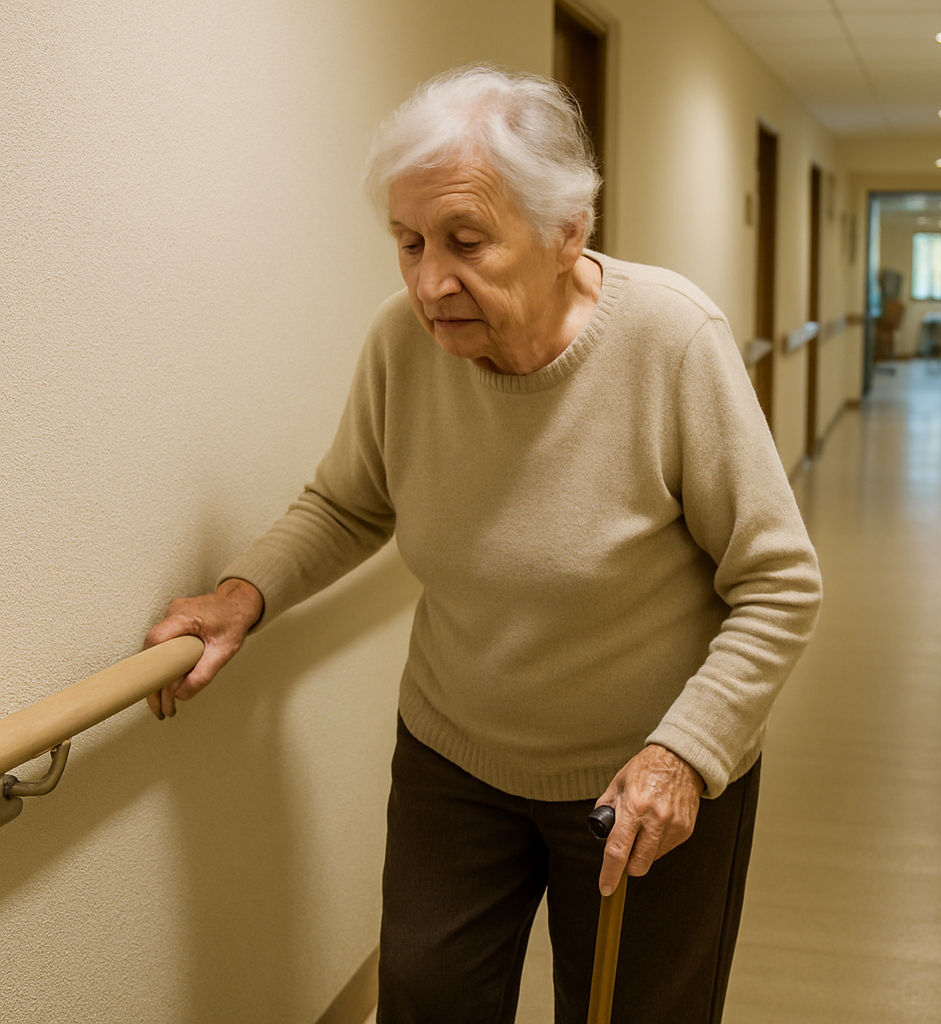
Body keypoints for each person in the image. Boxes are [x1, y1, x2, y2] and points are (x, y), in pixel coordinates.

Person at [145, 66, 822, 1023]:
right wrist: (242, 593)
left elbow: (780, 583)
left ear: (566, 234)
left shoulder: (670, 341)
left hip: (646, 777)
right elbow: (348, 502)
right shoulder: (404, 343)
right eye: (409, 242)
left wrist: (684, 753)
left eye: (466, 242)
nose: (430, 282)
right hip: (454, 758)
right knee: (427, 1000)